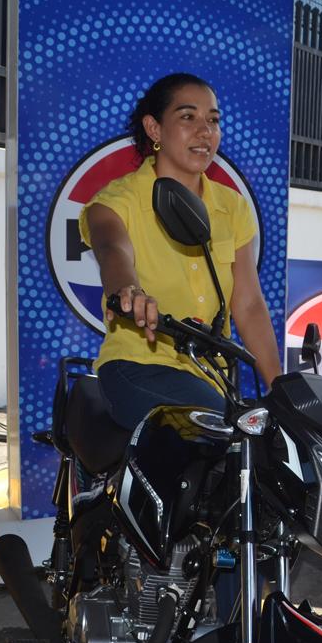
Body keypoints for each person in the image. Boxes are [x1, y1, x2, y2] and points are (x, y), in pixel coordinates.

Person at [80, 72, 282, 431]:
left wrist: (280, 389)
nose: (205, 131)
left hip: (212, 379)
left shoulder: (232, 208)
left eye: (214, 120)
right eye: (188, 117)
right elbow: (113, 250)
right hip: (139, 366)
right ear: (154, 129)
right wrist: (129, 291)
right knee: (219, 435)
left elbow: (248, 304)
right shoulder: (115, 202)